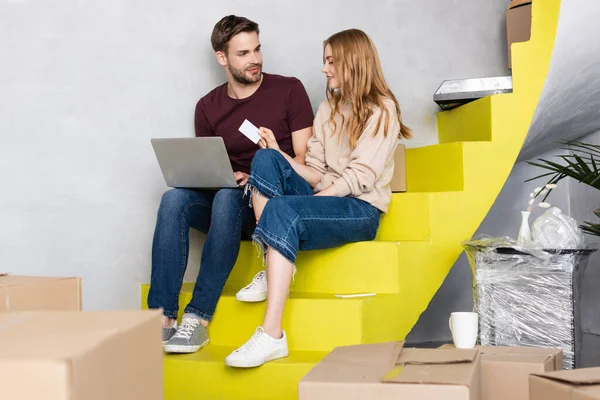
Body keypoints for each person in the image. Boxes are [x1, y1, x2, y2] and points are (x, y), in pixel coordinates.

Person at [225, 29, 412, 368]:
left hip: (360, 208)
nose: (324, 69)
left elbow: (360, 178)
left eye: (330, 61)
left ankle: (271, 335)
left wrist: (319, 199)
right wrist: (280, 155)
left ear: (352, 63)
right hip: (327, 195)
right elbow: (314, 169)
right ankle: (271, 264)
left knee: (283, 209)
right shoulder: (329, 107)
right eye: (324, 61)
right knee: (265, 160)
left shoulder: (382, 110)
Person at [147, 15, 314, 354]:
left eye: (257, 49)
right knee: (173, 199)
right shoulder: (208, 107)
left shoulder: (289, 90)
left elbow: (306, 165)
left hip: (269, 207)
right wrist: (222, 179)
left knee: (226, 198)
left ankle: (198, 318)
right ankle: (162, 319)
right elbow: (207, 172)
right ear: (222, 58)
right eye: (243, 53)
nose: (254, 59)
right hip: (227, 207)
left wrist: (263, 172)